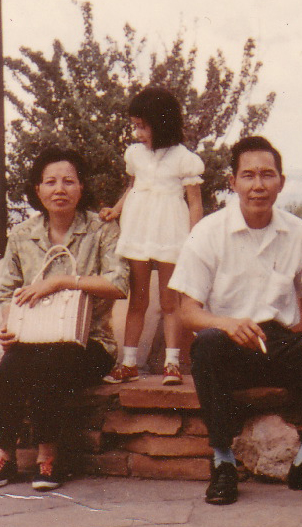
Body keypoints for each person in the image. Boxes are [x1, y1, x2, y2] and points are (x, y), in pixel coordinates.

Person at [169, 136, 302, 505]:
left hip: (281, 344)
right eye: (249, 175)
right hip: (231, 345)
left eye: (267, 175)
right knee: (205, 345)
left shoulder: (297, 231)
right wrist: (227, 324)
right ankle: (222, 463)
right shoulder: (207, 232)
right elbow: (188, 311)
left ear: (282, 182)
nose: (258, 185)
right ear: (233, 182)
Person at [0, 148, 129, 491]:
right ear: (37, 189)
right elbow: (7, 291)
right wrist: (9, 326)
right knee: (7, 372)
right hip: (32, 337)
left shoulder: (102, 229)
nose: (59, 189)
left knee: (50, 367)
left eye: (68, 181)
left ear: (81, 187)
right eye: (50, 182)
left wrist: (61, 282)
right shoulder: (22, 235)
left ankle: (48, 459)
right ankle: (4, 457)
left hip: (89, 343)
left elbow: (118, 285)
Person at [100, 87, 204, 386]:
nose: (138, 133)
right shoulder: (134, 154)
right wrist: (116, 211)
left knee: (171, 301)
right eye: (135, 126)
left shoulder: (184, 158)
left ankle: (172, 364)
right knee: (138, 299)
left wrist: (194, 239)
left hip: (171, 229)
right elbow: (133, 187)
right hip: (139, 226)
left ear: (162, 124)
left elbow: (194, 202)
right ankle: (129, 362)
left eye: (142, 126)